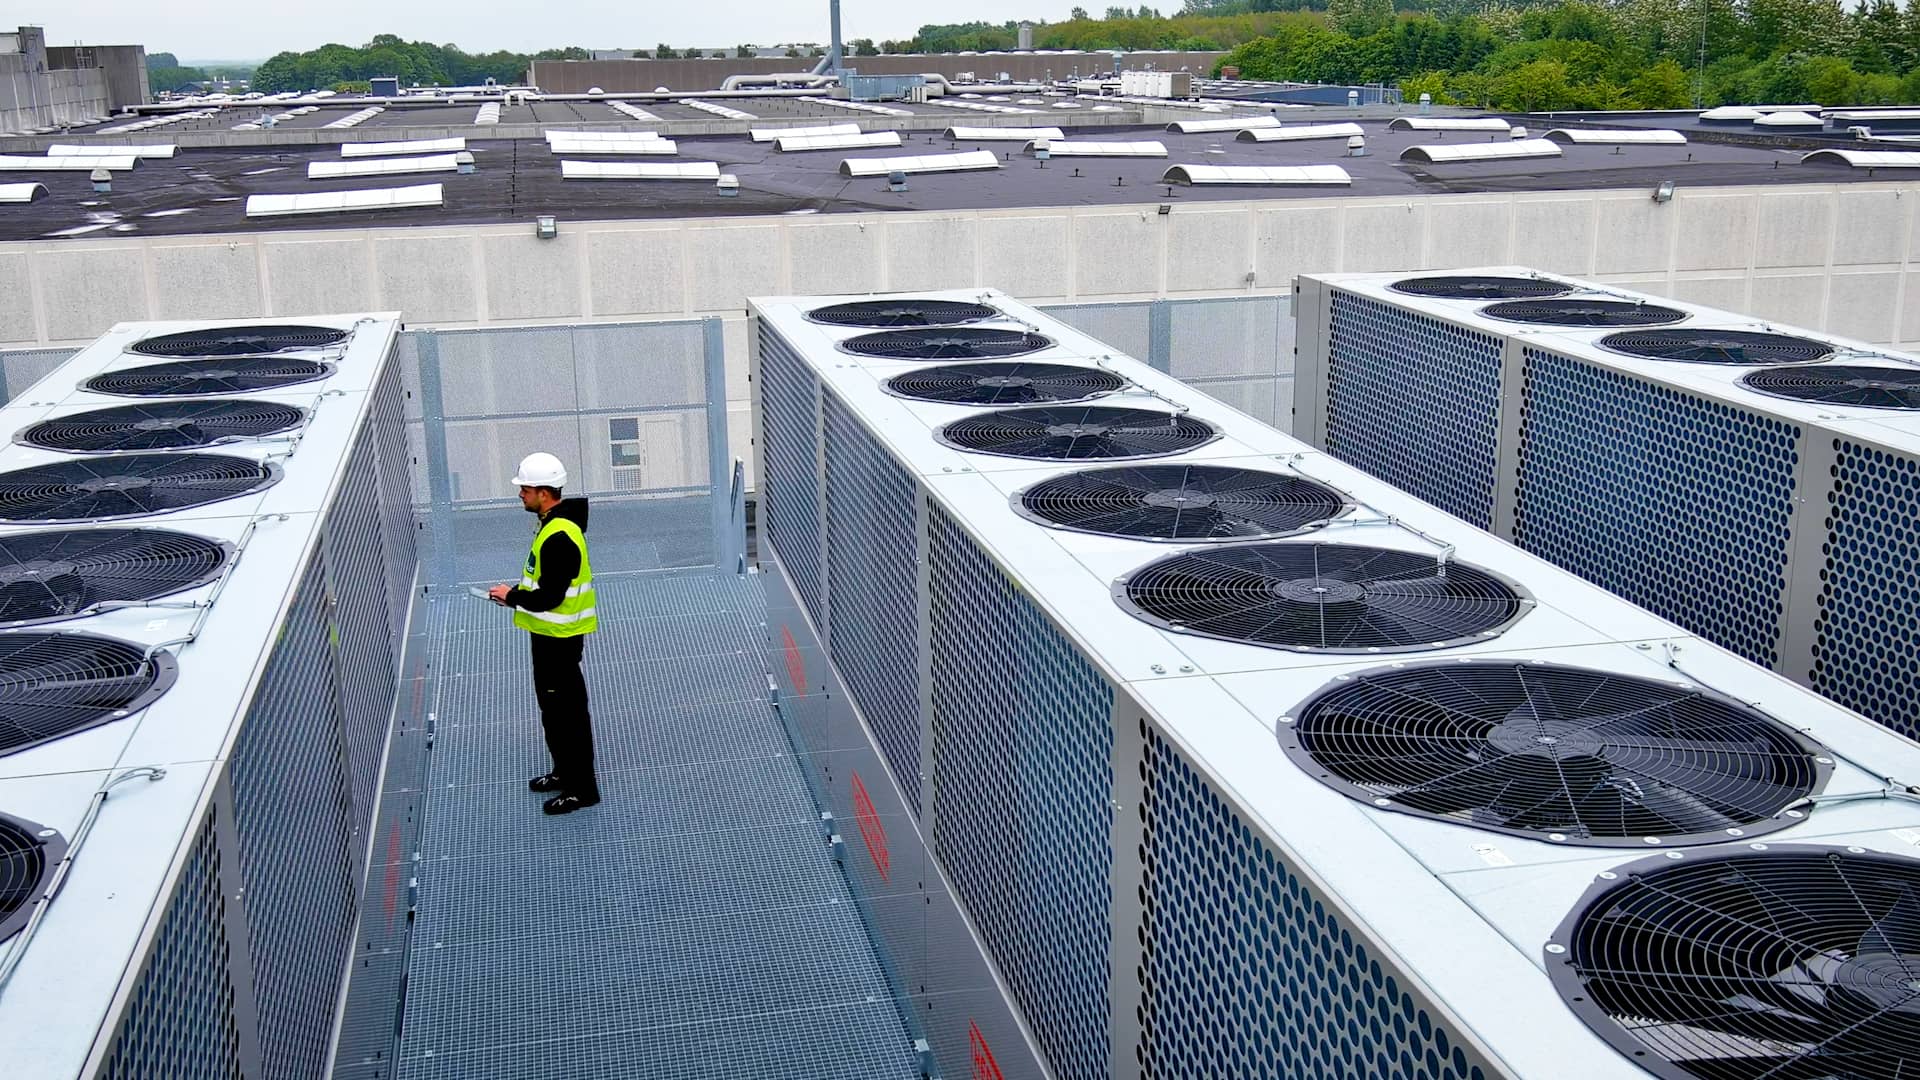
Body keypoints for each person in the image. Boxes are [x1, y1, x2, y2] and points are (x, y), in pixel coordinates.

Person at [488, 452, 600, 815]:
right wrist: (516, 599)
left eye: (525, 489)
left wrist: (512, 596)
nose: (520, 494)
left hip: (558, 642)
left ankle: (581, 790)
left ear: (543, 492)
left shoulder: (558, 537)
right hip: (551, 638)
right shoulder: (553, 525)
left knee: (566, 716)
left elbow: (550, 596)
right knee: (555, 713)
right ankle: (564, 773)